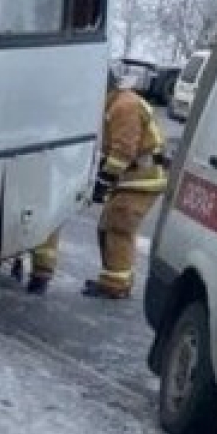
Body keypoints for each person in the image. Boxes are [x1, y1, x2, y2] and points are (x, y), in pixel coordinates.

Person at [84, 69, 170, 299]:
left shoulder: (123, 106)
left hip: (141, 178)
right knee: (109, 226)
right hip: (135, 177)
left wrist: (103, 180)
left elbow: (123, 150)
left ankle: (115, 286)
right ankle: (114, 279)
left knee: (118, 227)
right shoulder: (117, 103)